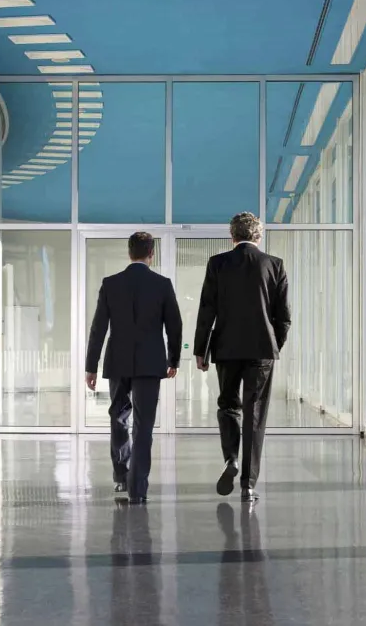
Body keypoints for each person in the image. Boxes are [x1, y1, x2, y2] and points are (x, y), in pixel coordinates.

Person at [193, 212, 291, 502]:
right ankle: (248, 484)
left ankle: (231, 459)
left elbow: (206, 311)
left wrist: (201, 350)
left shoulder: (218, 264)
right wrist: (274, 345)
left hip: (226, 349)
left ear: (232, 236)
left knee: (228, 405)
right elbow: (283, 317)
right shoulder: (274, 265)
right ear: (258, 236)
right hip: (262, 350)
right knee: (254, 414)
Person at [86, 232, 181, 504]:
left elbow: (98, 329)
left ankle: (120, 476)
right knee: (144, 424)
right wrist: (173, 360)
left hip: (118, 361)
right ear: (151, 254)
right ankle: (138, 488)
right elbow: (174, 326)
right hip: (151, 364)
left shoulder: (111, 284)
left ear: (129, 253)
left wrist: (91, 366)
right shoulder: (162, 285)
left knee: (118, 416)